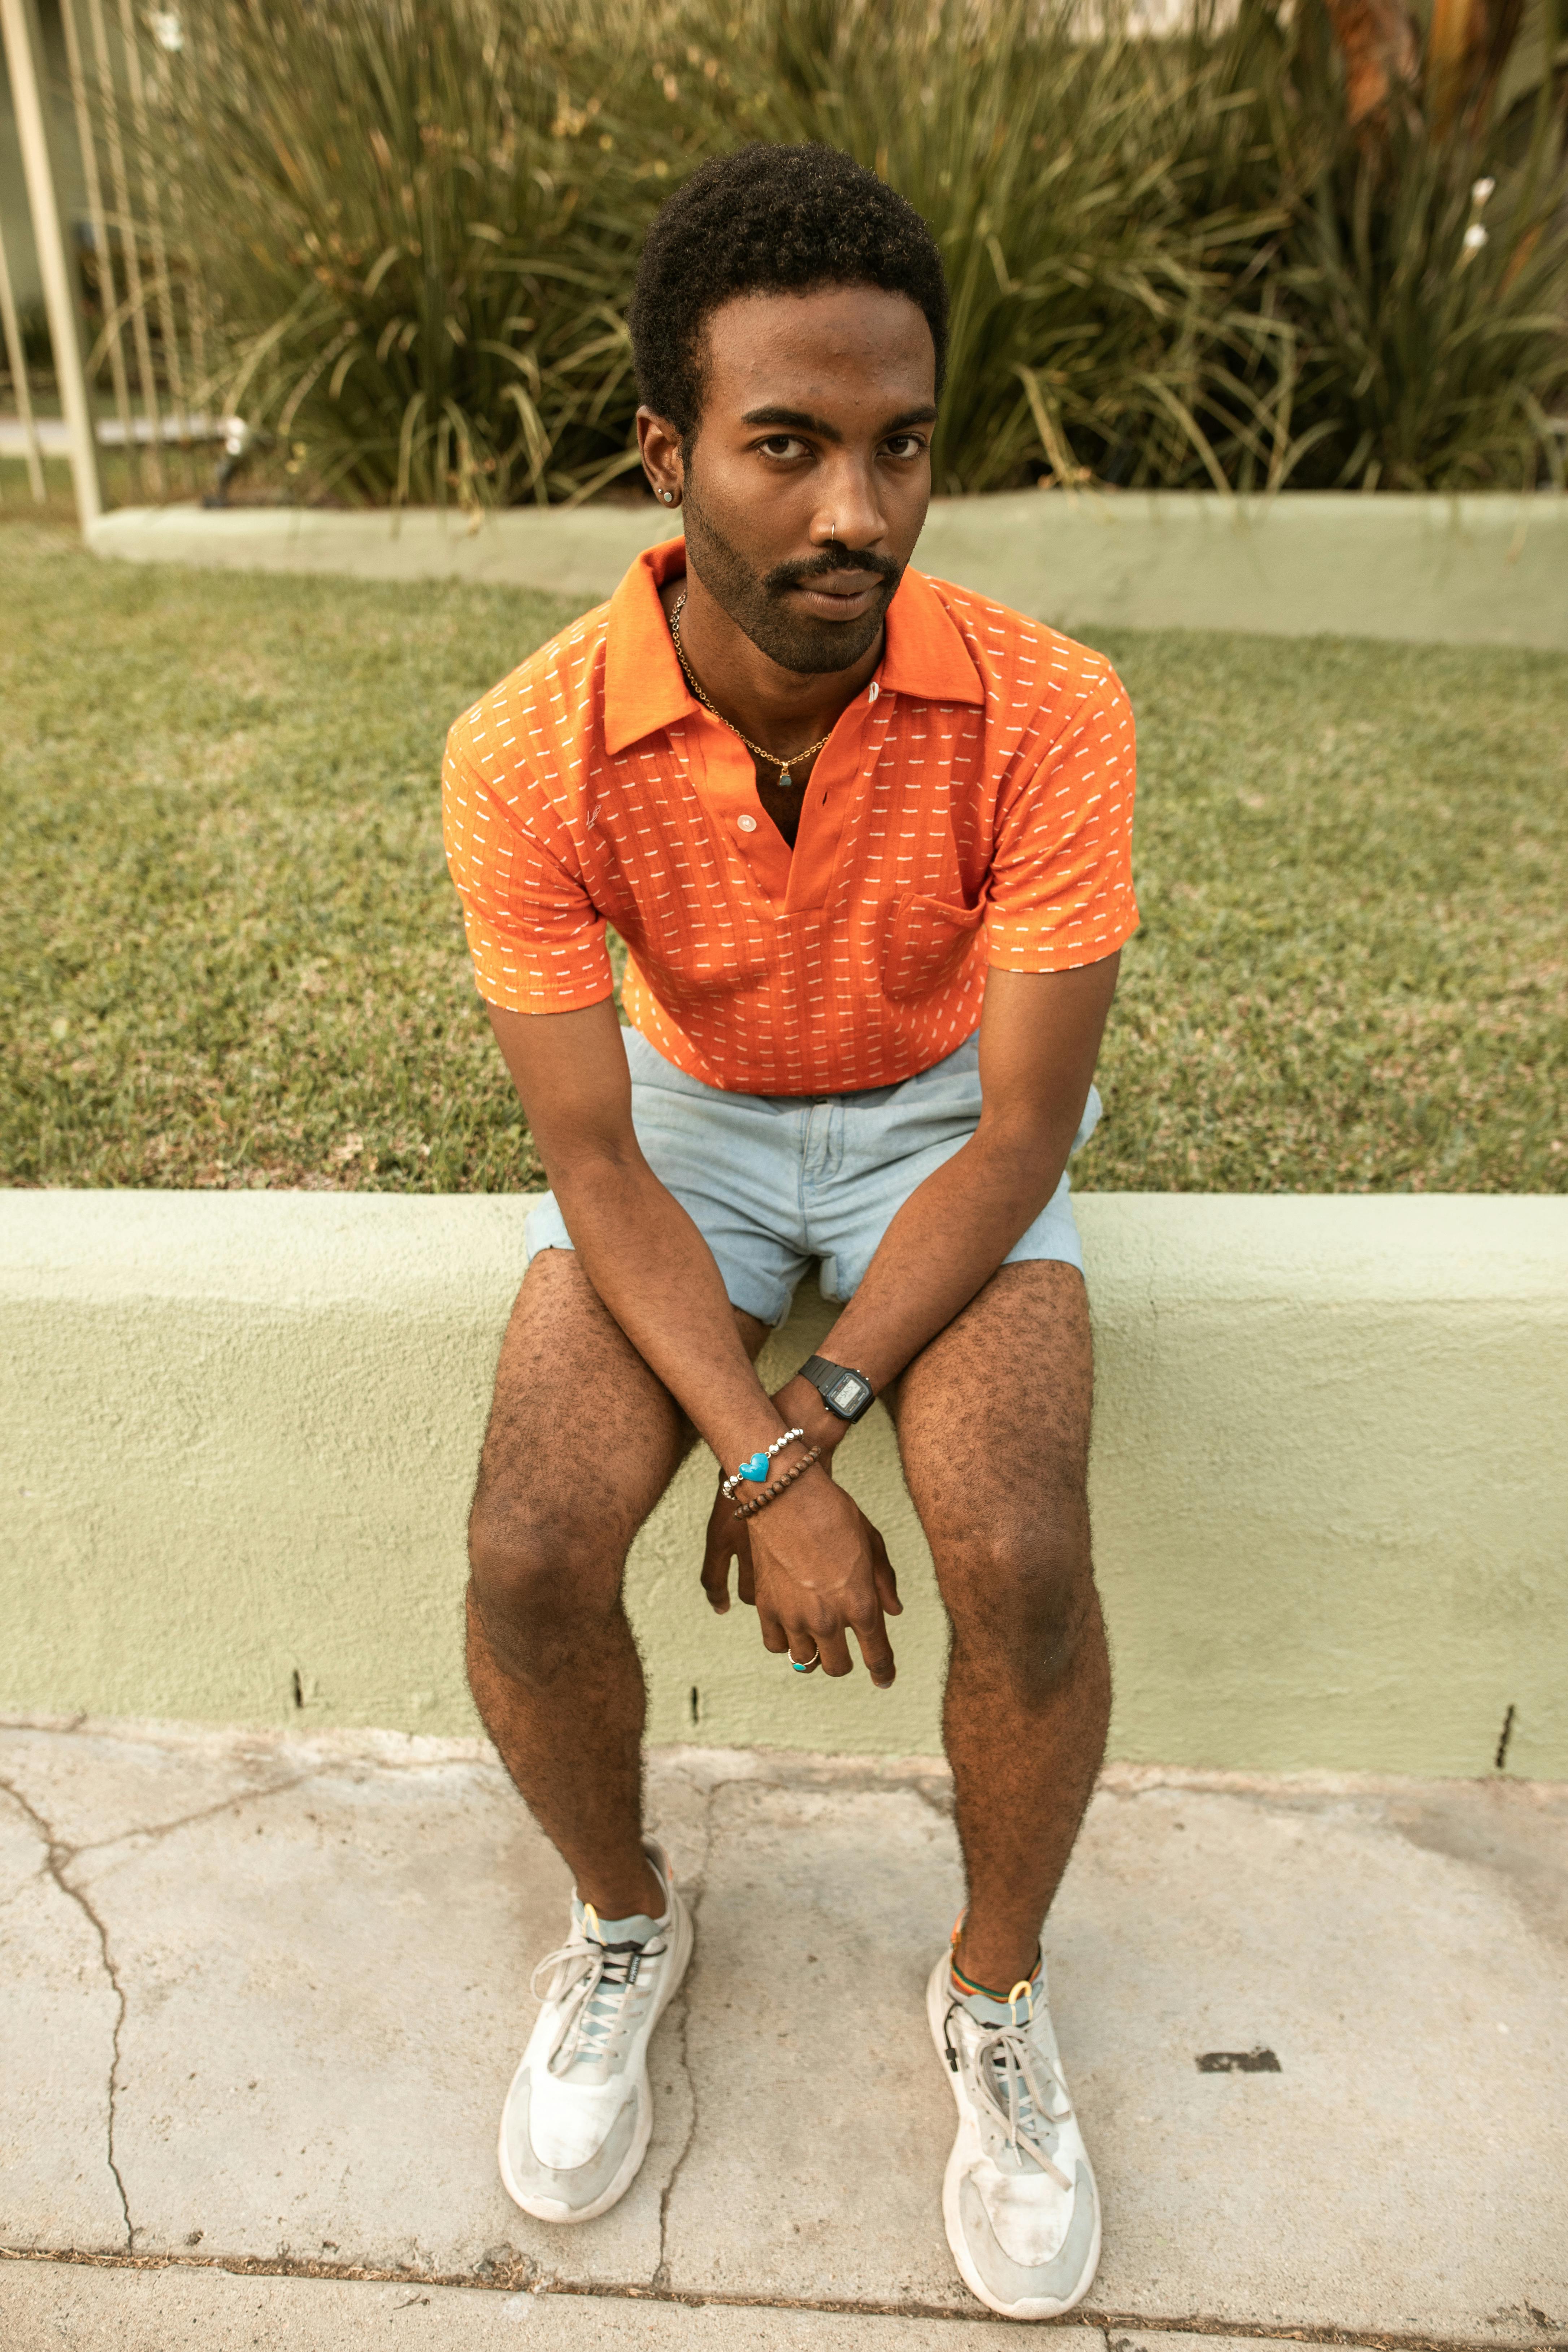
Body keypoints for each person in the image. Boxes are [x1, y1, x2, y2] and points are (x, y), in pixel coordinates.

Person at [441, 142, 1137, 2322]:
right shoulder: (527, 746)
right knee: (532, 1540)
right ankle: (626, 1918)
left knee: (1010, 1541)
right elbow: (595, 1166)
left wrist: (817, 1407)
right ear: (666, 454)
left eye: (901, 445)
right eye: (788, 446)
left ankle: (996, 1995)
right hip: (695, 1137)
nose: (856, 507)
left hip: (945, 1116)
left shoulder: (1051, 709)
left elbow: (1020, 1129)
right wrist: (753, 1453)